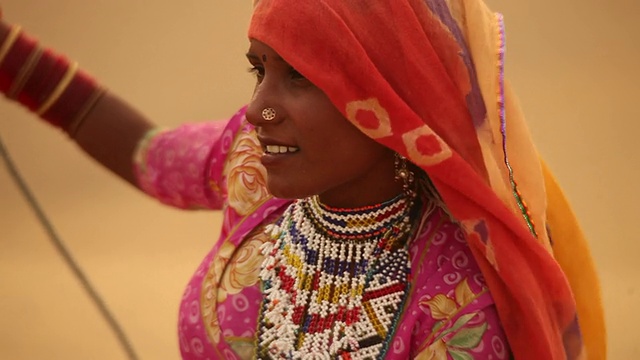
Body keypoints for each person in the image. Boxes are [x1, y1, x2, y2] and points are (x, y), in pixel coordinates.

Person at [0, 0, 606, 359]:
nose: (260, 108)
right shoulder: (253, 168)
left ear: (390, 100)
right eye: (258, 70)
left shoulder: (458, 306)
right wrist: (10, 58)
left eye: (302, 78)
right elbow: (146, 152)